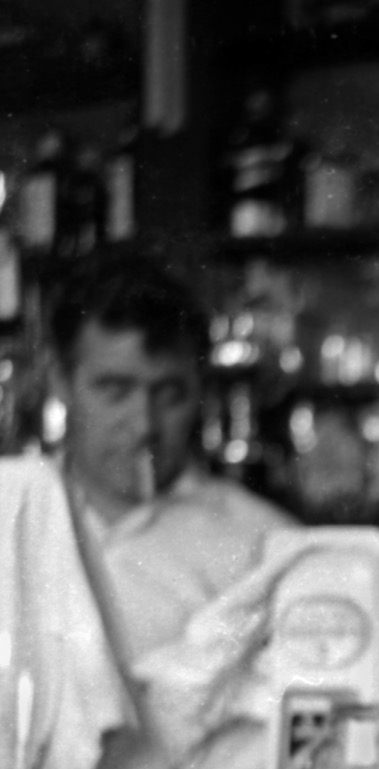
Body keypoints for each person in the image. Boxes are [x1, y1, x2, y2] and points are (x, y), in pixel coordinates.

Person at [48, 248, 295, 667]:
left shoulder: (264, 546)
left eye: (169, 394)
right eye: (114, 390)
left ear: (200, 391)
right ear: (61, 383)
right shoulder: (13, 513)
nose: (144, 424)